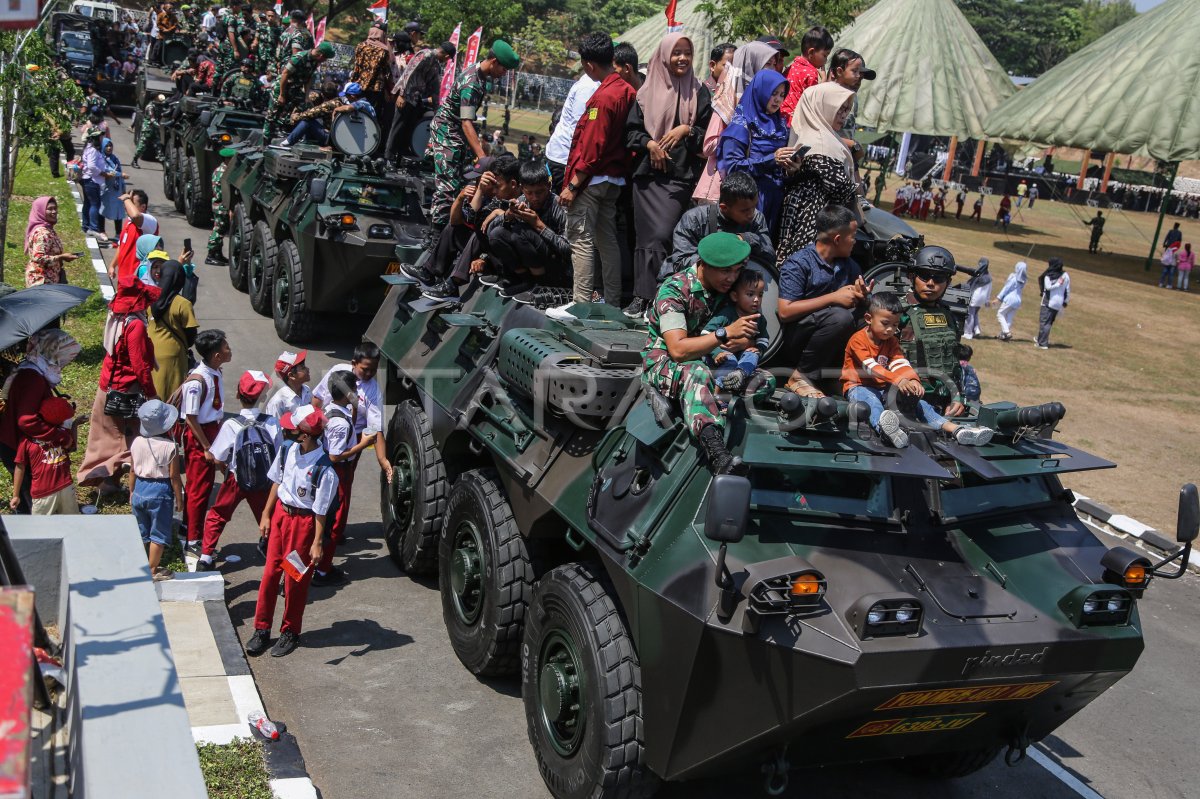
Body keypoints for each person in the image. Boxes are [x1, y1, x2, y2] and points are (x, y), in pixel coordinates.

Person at [640, 232, 757, 475]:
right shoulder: (674, 292)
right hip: (664, 362)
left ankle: (710, 398)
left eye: (736, 270)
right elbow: (678, 350)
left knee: (764, 380)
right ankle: (718, 455)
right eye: (726, 271)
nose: (732, 278)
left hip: (711, 358)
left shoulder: (727, 288)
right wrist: (723, 335)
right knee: (697, 373)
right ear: (704, 264)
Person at [547, 34, 637, 317]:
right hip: (614, 179)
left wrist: (573, 185)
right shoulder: (627, 90)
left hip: (592, 180)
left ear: (588, 65)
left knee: (581, 239)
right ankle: (611, 303)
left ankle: (580, 304)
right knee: (606, 239)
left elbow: (592, 147)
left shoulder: (604, 97)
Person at [623, 33, 712, 320]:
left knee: (663, 236)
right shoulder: (645, 93)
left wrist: (685, 130)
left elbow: (708, 136)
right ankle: (641, 297)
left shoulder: (699, 92)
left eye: (687, 52)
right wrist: (650, 145)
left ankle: (659, 297)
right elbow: (631, 133)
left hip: (679, 179)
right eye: (676, 53)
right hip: (647, 179)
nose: (682, 58)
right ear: (664, 57)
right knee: (645, 238)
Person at [843, 292, 993, 449]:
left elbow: (900, 363)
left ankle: (957, 430)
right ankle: (885, 429)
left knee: (920, 404)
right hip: (857, 386)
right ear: (868, 319)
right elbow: (870, 367)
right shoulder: (858, 340)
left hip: (884, 387)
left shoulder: (892, 341)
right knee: (871, 402)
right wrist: (898, 380)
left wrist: (913, 380)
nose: (890, 330)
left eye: (894, 325)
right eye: (885, 323)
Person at [246, 403, 338, 658]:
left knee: (294, 579)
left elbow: (321, 510)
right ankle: (261, 628)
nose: (285, 433)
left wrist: (317, 542)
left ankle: (290, 631)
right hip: (280, 518)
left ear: (306, 435)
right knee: (269, 575)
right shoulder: (287, 450)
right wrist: (266, 514)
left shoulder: (324, 470)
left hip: (303, 526)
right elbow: (277, 481)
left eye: (291, 429)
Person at [425, 40, 519, 245]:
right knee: (448, 187)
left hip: (456, 133)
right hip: (448, 133)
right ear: (494, 62)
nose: (505, 74)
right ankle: (434, 239)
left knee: (462, 181)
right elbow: (466, 123)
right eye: (504, 69)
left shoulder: (479, 73)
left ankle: (451, 230)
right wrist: (483, 157)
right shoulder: (472, 84)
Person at [777, 205, 869, 398]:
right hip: (798, 341)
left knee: (869, 318)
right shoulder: (799, 263)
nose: (855, 241)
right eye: (852, 236)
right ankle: (800, 376)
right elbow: (785, 311)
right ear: (837, 239)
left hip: (830, 341)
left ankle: (840, 376)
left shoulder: (850, 265)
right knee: (840, 317)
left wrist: (864, 297)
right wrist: (833, 298)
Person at [78, 277, 161, 489]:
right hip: (126, 391)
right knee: (129, 440)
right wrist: (151, 394)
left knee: (105, 439)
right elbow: (139, 365)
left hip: (108, 386)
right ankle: (127, 484)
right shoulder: (136, 326)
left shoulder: (117, 317)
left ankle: (108, 481)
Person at [197, 371, 279, 571]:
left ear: (237, 395)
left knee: (218, 514)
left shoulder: (231, 425)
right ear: (263, 397)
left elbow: (217, 456)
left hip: (236, 479)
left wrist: (226, 467)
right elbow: (278, 453)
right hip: (265, 480)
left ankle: (206, 556)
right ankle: (271, 550)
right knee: (267, 516)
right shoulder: (272, 422)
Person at [0, 331, 82, 513]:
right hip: (17, 446)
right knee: (30, 503)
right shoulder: (33, 379)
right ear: (54, 353)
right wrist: (59, 435)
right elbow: (26, 421)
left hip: (16, 442)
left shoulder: (34, 369)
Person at [776, 83, 858, 261]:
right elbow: (841, 188)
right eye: (840, 109)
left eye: (847, 110)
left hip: (808, 217)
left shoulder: (820, 136)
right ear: (822, 107)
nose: (844, 115)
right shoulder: (821, 143)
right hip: (811, 220)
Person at [693, 41, 776, 205]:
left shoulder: (767, 104)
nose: (772, 69)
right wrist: (735, 140)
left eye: (774, 64)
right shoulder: (727, 101)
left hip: (750, 190)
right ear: (752, 65)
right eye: (767, 64)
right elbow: (708, 145)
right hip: (720, 190)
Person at [311, 370, 373, 585]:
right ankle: (322, 571)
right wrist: (362, 445)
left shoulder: (331, 410)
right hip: (338, 472)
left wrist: (354, 405)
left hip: (334, 470)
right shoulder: (340, 424)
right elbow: (336, 456)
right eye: (354, 390)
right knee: (335, 522)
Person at [716, 69, 793, 238]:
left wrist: (792, 165)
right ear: (760, 91)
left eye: (782, 94)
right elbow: (732, 168)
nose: (778, 99)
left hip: (776, 199)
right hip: (749, 202)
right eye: (773, 93)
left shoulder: (780, 125)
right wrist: (771, 160)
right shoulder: (741, 125)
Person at [175, 329, 231, 553]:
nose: (229, 350)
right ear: (216, 355)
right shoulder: (197, 382)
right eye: (226, 347)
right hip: (200, 436)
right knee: (199, 490)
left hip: (211, 431)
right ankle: (193, 540)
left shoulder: (215, 371)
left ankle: (188, 526)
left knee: (200, 487)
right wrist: (207, 447)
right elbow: (190, 418)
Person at [898, 247, 969, 418]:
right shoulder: (896, 313)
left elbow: (954, 363)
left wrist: (957, 397)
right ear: (911, 277)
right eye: (924, 275)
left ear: (948, 283)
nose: (930, 283)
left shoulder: (950, 316)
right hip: (904, 400)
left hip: (944, 402)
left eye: (939, 278)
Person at [481, 159, 571, 292]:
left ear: (549, 185)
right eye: (529, 193)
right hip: (530, 262)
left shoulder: (558, 206)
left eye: (539, 192)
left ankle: (541, 284)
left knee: (522, 232)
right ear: (522, 188)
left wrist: (539, 225)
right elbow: (489, 232)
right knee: (497, 234)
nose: (534, 198)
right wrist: (508, 215)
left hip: (555, 265)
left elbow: (568, 249)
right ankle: (525, 279)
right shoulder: (521, 201)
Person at [663, 170, 775, 276]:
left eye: (754, 207)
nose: (751, 214)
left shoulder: (757, 217)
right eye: (745, 211)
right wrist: (725, 252)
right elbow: (680, 262)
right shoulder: (694, 218)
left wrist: (747, 239)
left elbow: (769, 256)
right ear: (724, 208)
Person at [312, 342, 389, 480]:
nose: (369, 374)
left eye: (374, 370)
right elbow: (318, 398)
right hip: (326, 430)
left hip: (352, 438)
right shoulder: (337, 372)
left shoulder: (373, 390)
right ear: (354, 363)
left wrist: (383, 460)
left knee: (343, 478)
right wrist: (312, 429)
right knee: (317, 473)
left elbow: (376, 428)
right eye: (365, 369)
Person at [130, 399, 184, 581]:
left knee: (141, 529)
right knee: (158, 533)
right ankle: (152, 570)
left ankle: (137, 565)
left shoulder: (136, 441)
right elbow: (174, 477)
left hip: (139, 486)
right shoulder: (171, 447)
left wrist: (131, 492)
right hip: (160, 491)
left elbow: (132, 470)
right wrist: (179, 499)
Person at [702, 268, 774, 394]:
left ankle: (740, 374)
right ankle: (717, 393)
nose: (756, 299)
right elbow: (706, 333)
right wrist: (716, 352)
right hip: (722, 356)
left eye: (760, 294)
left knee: (752, 355)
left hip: (741, 358)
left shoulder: (759, 319)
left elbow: (763, 338)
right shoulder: (727, 314)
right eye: (751, 294)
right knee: (731, 361)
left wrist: (759, 348)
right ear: (735, 296)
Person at [385, 41, 454, 163]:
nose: (447, 61)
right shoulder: (425, 55)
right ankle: (388, 157)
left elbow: (435, 88)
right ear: (447, 56)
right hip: (406, 96)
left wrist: (436, 109)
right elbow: (408, 73)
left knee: (409, 129)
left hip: (416, 100)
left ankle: (401, 158)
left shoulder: (436, 66)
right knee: (398, 126)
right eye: (448, 59)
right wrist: (402, 94)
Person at [11, 397, 78, 515]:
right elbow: (20, 466)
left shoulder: (60, 434)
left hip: (65, 486)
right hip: (44, 493)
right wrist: (15, 495)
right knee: (41, 530)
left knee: (71, 523)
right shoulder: (27, 440)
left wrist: (74, 426)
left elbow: (71, 446)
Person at [148, 259, 199, 400]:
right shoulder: (183, 304)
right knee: (171, 396)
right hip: (173, 355)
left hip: (150, 352)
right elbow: (191, 336)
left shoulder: (150, 296)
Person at [264, 41, 335, 140]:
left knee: (305, 107)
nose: (325, 61)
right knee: (273, 114)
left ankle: (286, 129)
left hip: (295, 89)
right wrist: (281, 94)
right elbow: (285, 74)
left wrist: (306, 96)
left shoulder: (315, 61)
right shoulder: (299, 58)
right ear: (321, 55)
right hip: (282, 87)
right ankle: (266, 138)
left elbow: (309, 78)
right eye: (325, 58)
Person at [779, 26, 833, 127]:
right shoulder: (811, 74)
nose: (826, 60)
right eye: (825, 55)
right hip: (795, 121)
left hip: (780, 116)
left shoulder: (791, 67)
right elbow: (813, 102)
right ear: (811, 52)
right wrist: (824, 81)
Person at [24, 197, 78, 287]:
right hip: (41, 281)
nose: (54, 212)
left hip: (50, 279)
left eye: (55, 208)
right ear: (40, 211)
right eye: (49, 209)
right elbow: (38, 258)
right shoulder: (42, 233)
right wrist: (61, 257)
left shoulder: (48, 229)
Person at [113, 190, 160, 284]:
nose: (126, 205)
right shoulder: (129, 221)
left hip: (138, 279)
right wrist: (112, 265)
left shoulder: (150, 220)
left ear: (143, 207)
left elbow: (135, 215)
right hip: (123, 278)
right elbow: (121, 245)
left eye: (131, 202)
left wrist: (126, 198)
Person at [351, 25, 394, 118]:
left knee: (357, 110)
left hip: (359, 85)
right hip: (375, 88)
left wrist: (351, 82)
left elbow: (356, 67)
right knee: (372, 113)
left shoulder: (360, 46)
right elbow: (387, 67)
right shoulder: (384, 50)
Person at [265, 350, 311, 418]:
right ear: (291, 375)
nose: (308, 369)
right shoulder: (277, 402)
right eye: (303, 368)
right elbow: (274, 427)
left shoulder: (306, 389)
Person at [1035, 257, 1069, 350]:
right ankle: (1040, 339)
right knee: (1049, 322)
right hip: (1059, 302)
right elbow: (1067, 289)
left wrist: (1057, 284)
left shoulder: (1048, 275)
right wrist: (1066, 301)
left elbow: (1048, 287)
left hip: (1049, 301)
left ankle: (1042, 343)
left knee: (1044, 322)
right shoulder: (1065, 275)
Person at [80, 129, 107, 241]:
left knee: (88, 203)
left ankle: (86, 225)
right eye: (100, 137)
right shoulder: (93, 151)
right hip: (92, 181)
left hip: (89, 180)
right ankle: (93, 227)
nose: (102, 139)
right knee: (95, 204)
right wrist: (102, 173)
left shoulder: (89, 149)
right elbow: (91, 166)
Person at [99, 138, 128, 239]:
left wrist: (123, 187)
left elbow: (119, 170)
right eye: (106, 146)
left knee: (119, 210)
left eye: (110, 145)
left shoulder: (115, 158)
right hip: (106, 188)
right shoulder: (101, 159)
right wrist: (120, 174)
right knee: (103, 209)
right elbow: (108, 170)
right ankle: (101, 230)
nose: (109, 148)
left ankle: (118, 233)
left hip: (117, 188)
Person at [992, 260, 1027, 341]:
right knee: (1009, 317)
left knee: (1000, 314)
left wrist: (998, 298)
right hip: (1018, 300)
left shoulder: (1014, 278)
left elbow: (1006, 288)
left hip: (1010, 299)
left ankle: (1007, 332)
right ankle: (1003, 335)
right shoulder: (1024, 280)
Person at [131, 94, 168, 168]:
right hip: (148, 128)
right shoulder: (150, 107)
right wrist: (160, 126)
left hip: (154, 129)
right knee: (142, 146)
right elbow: (152, 119)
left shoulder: (157, 105)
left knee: (158, 145)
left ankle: (164, 163)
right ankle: (134, 160)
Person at [962, 258, 992, 340]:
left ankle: (968, 333)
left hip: (975, 297)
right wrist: (987, 300)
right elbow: (990, 289)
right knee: (975, 314)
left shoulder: (978, 274)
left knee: (969, 315)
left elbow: (971, 285)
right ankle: (977, 330)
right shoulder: (989, 276)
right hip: (982, 299)